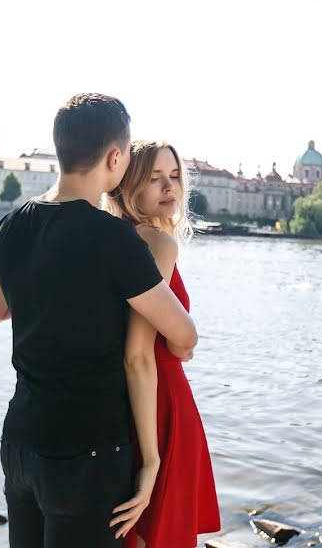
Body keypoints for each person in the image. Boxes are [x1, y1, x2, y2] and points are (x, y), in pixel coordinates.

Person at [0, 93, 199, 548]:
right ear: (116, 158)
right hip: (87, 452)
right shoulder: (115, 239)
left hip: (20, 442)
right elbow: (183, 335)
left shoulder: (10, 225)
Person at [106, 141, 220, 548]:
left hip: (132, 404)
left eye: (174, 177)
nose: (168, 187)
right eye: (154, 178)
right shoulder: (158, 243)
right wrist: (183, 338)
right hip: (163, 405)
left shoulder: (113, 238)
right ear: (128, 185)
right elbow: (142, 349)